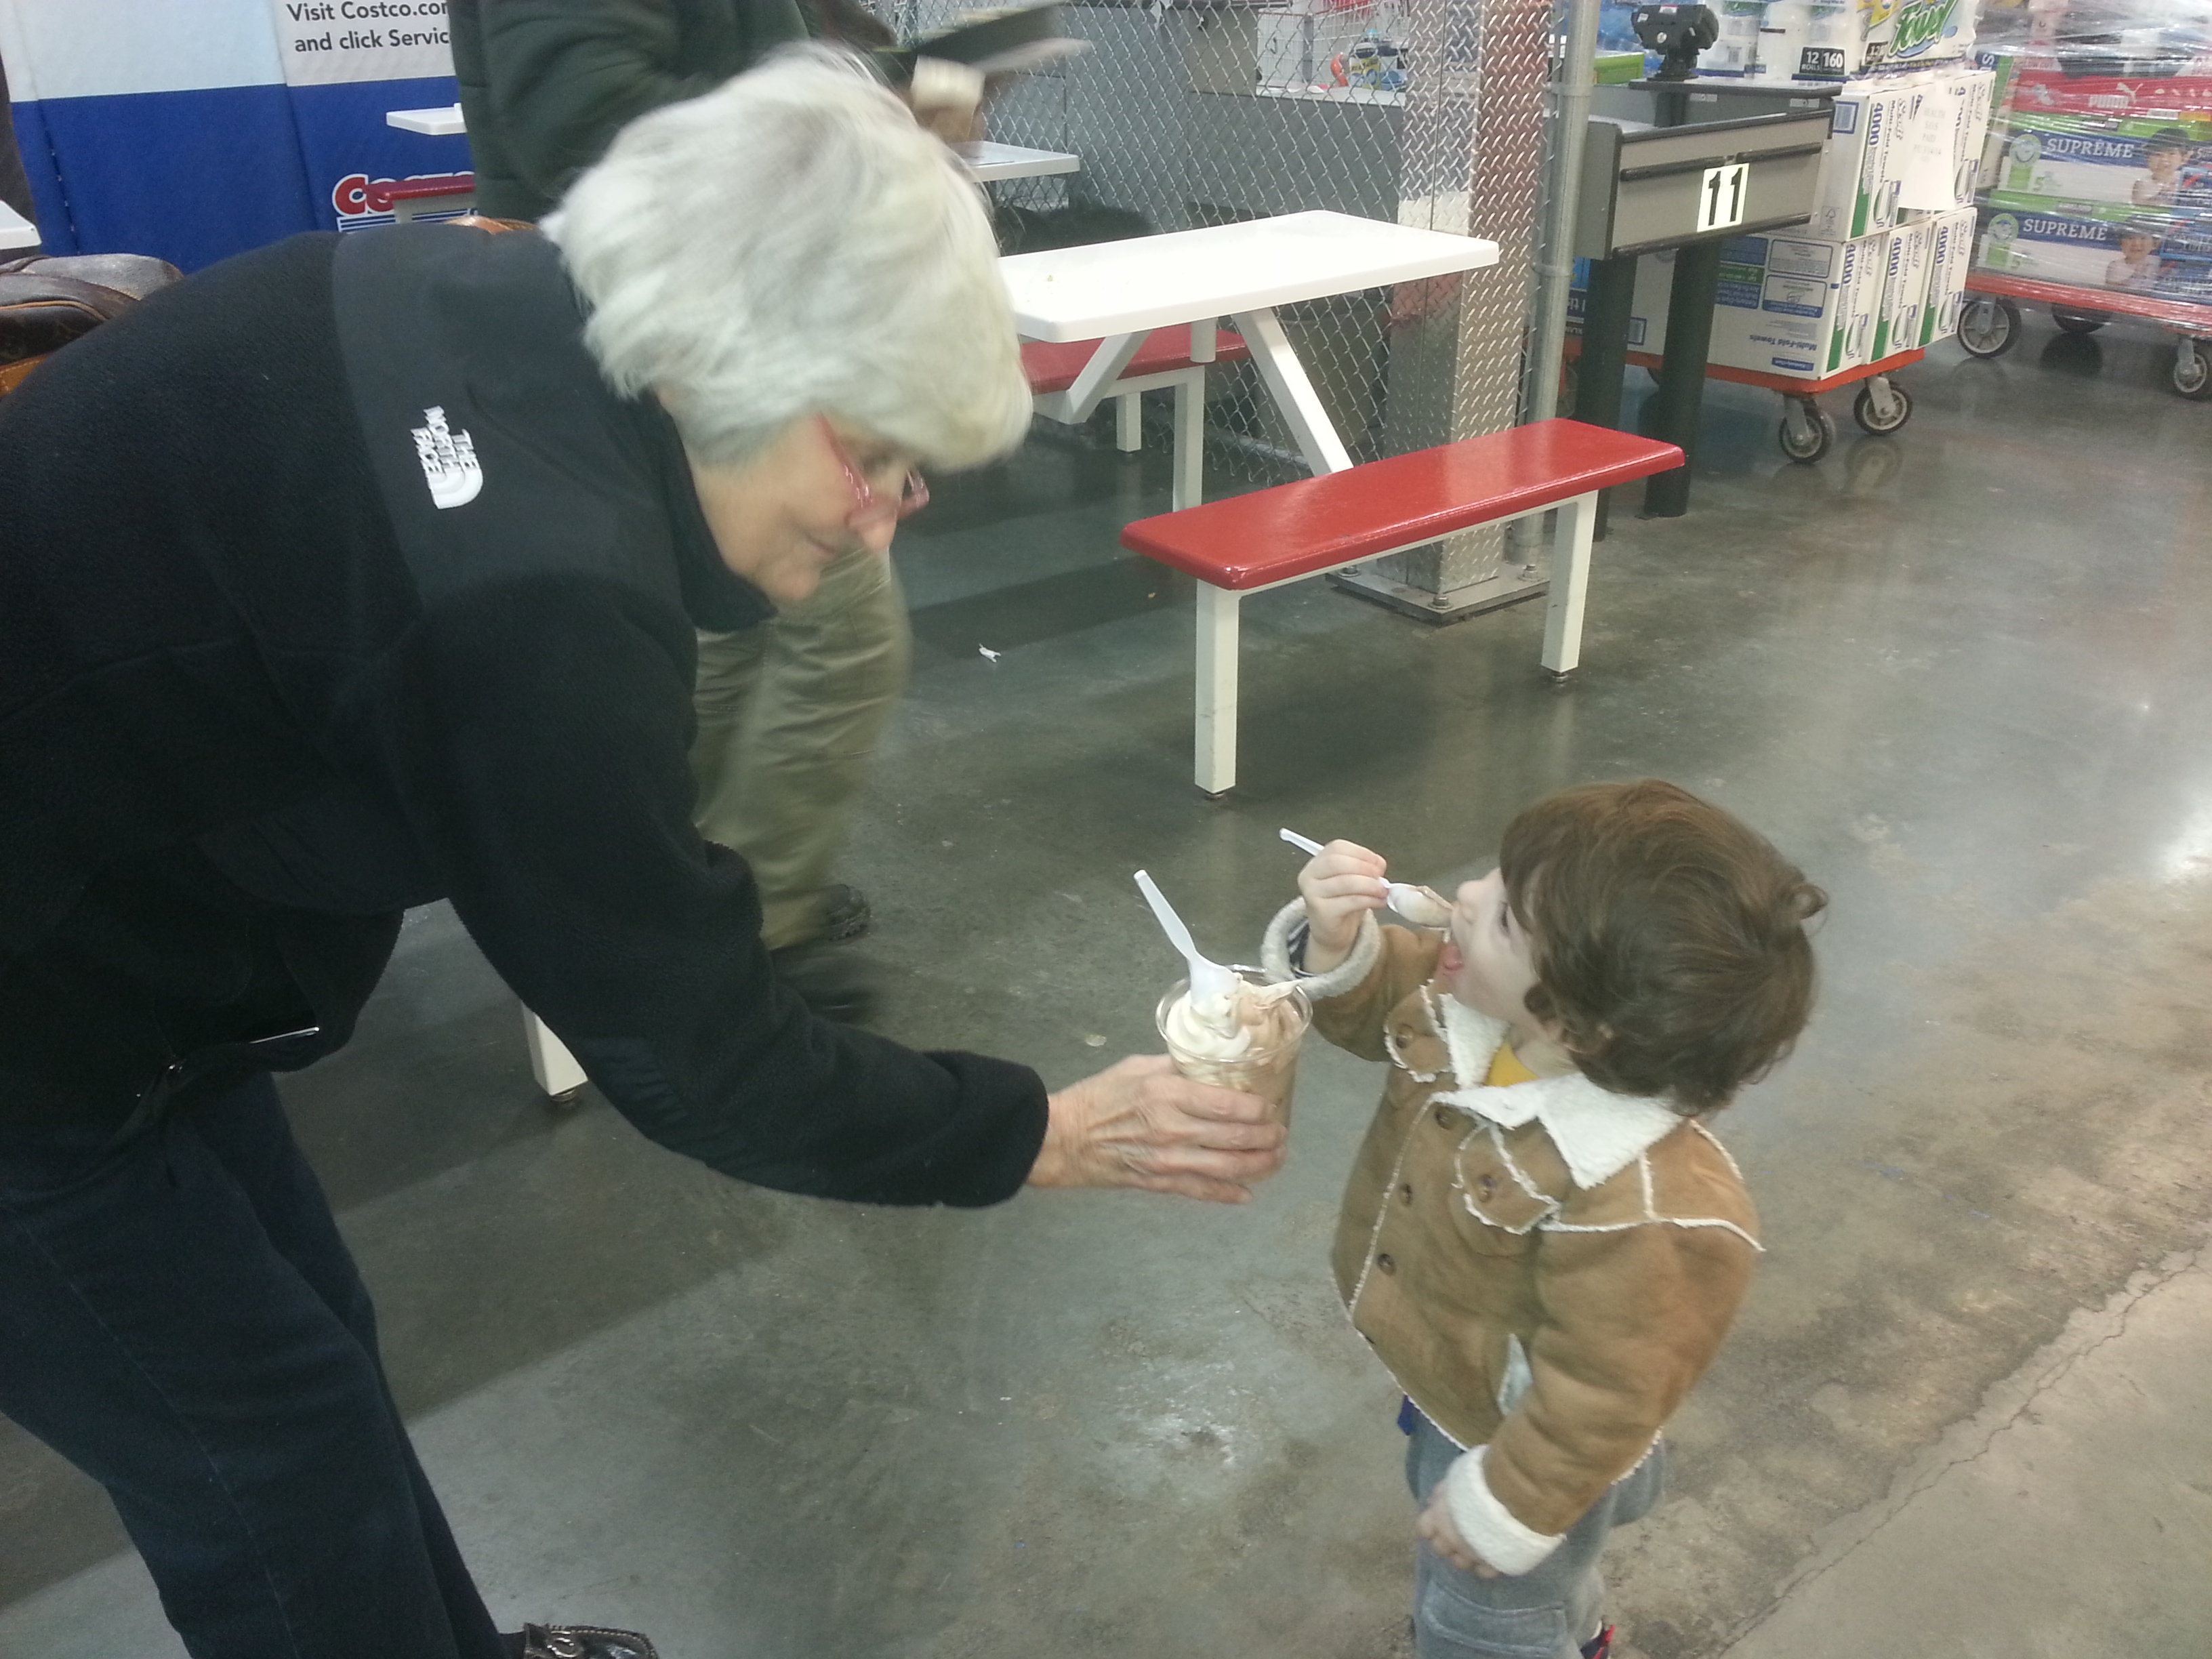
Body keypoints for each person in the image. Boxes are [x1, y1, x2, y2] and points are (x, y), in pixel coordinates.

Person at [0, 52, 1282, 1659]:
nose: (883, 520)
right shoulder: (538, 588)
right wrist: (1036, 1131)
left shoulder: (510, 299)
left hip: (131, 947)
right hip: (35, 1022)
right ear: (732, 357)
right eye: (873, 457)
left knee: (313, 1342)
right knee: (267, 1458)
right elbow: (696, 1056)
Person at [452, 0, 976, 1020]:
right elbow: (583, 123)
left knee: (732, 630)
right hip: (661, 307)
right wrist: (875, 103)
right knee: (840, 638)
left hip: (701, 299)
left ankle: (686, 890)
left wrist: (886, 73)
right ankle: (748, 930)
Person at [1261, 781, 1823, 1659]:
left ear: (1580, 1026)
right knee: (1541, 1583)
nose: (1467, 895)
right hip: (1463, 1371)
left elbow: (1610, 1388)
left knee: (1485, 1618)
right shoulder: (1493, 1012)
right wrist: (1337, 946)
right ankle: (1578, 1629)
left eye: (1505, 919)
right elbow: (1388, 1003)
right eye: (1497, 877)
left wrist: (1508, 1505)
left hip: (1525, 1439)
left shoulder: (1640, 1205)